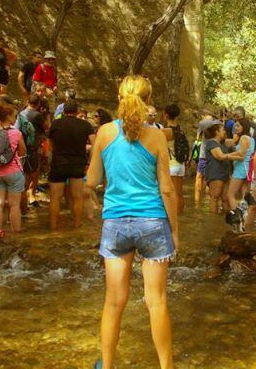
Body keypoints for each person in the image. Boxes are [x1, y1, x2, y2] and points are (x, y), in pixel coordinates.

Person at [86, 74, 178, 369]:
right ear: (149, 101)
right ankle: (166, 366)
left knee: (114, 301)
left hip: (115, 222)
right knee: (157, 301)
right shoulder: (156, 137)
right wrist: (175, 231)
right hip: (153, 221)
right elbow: (166, 188)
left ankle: (108, 365)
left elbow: (91, 180)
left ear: (119, 98)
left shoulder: (103, 133)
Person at [48, 100, 95, 229]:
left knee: (55, 198)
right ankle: (76, 225)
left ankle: (53, 227)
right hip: (77, 164)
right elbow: (94, 145)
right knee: (77, 197)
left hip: (59, 163)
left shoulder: (55, 124)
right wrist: (89, 163)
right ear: (77, 111)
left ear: (63, 111)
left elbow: (50, 142)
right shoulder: (85, 125)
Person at [0, 98, 26, 235]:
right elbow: (22, 151)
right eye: (14, 116)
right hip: (13, 171)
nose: (15, 118)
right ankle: (16, 232)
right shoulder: (16, 133)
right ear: (9, 117)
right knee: (14, 205)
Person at [21, 94, 47, 207]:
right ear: (37, 104)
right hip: (32, 148)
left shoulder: (21, 114)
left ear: (27, 102)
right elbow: (46, 126)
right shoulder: (37, 115)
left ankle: (26, 199)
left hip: (21, 147)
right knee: (33, 173)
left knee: (25, 173)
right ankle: (27, 198)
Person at [227, 118, 255, 211]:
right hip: (247, 170)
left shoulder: (243, 138)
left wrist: (226, 156)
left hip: (240, 169)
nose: (236, 127)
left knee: (230, 195)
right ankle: (245, 220)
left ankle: (237, 217)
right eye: (235, 125)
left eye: (238, 125)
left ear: (244, 127)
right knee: (243, 198)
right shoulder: (252, 139)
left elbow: (241, 154)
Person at [203, 122, 231, 213]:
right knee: (214, 197)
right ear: (217, 132)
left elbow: (234, 141)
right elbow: (220, 156)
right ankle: (213, 221)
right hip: (215, 174)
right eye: (223, 130)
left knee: (226, 198)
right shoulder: (211, 143)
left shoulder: (222, 143)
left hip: (225, 174)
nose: (225, 132)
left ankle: (225, 220)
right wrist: (236, 156)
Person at [162, 104, 185, 213]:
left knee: (173, 192)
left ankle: (175, 216)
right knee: (180, 192)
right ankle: (181, 214)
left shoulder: (166, 131)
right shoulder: (181, 129)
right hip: (181, 164)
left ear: (166, 115)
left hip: (171, 165)